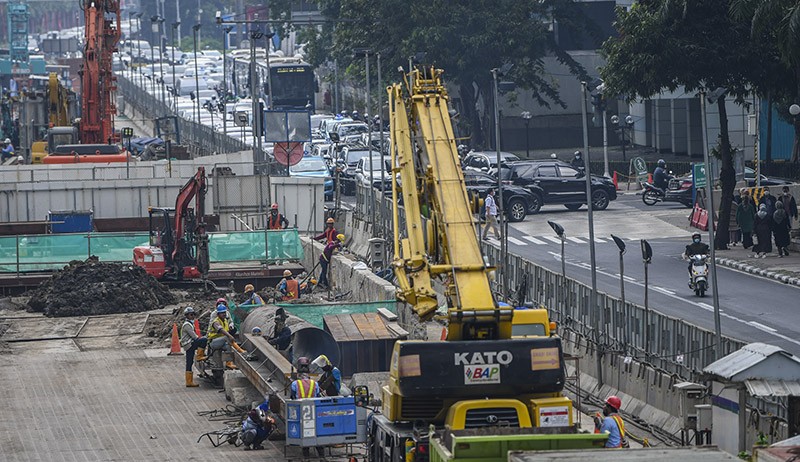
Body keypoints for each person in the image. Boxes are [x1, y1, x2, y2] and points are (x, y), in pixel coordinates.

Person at [207, 305, 247, 370]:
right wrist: (229, 336)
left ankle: (229, 363)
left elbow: (226, 330)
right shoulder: (215, 322)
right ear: (218, 314)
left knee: (228, 346)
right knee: (227, 338)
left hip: (220, 341)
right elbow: (221, 330)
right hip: (213, 342)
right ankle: (240, 350)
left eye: (224, 312)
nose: (224, 314)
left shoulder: (225, 321)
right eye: (222, 313)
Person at [180, 306, 207, 388]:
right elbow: (194, 337)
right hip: (189, 344)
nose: (192, 316)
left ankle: (189, 381)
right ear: (187, 315)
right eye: (191, 315)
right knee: (204, 340)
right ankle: (199, 356)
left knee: (189, 362)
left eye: (193, 314)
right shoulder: (187, 325)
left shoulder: (189, 324)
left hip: (188, 344)